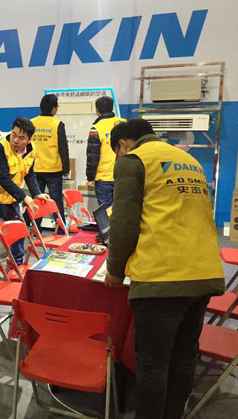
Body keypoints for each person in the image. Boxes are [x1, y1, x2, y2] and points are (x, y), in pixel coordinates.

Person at [105, 119, 224, 419]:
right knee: (184, 356)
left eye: (116, 152)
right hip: (203, 272)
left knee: (152, 363)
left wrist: (115, 269)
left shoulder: (134, 161)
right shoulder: (189, 161)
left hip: (162, 276)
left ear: (123, 144)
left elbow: (124, 223)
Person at [0, 117, 50, 279]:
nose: (15, 140)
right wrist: (24, 198)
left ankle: (16, 265)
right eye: (14, 135)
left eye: (21, 137)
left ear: (29, 139)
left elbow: (29, 173)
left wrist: (36, 193)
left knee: (18, 232)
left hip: (11, 198)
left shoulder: (31, 149)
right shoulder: (0, 149)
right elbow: (4, 179)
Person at [30, 94, 70, 232]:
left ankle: (36, 229)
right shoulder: (57, 124)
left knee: (37, 201)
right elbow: (63, 148)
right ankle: (61, 230)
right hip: (53, 170)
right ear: (54, 108)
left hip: (35, 169)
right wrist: (66, 168)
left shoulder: (32, 123)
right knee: (56, 201)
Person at [86, 96, 127, 209]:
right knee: (122, 210)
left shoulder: (96, 128)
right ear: (112, 108)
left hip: (104, 178)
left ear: (97, 110)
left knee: (105, 212)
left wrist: (90, 178)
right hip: (123, 175)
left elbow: (92, 157)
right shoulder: (124, 124)